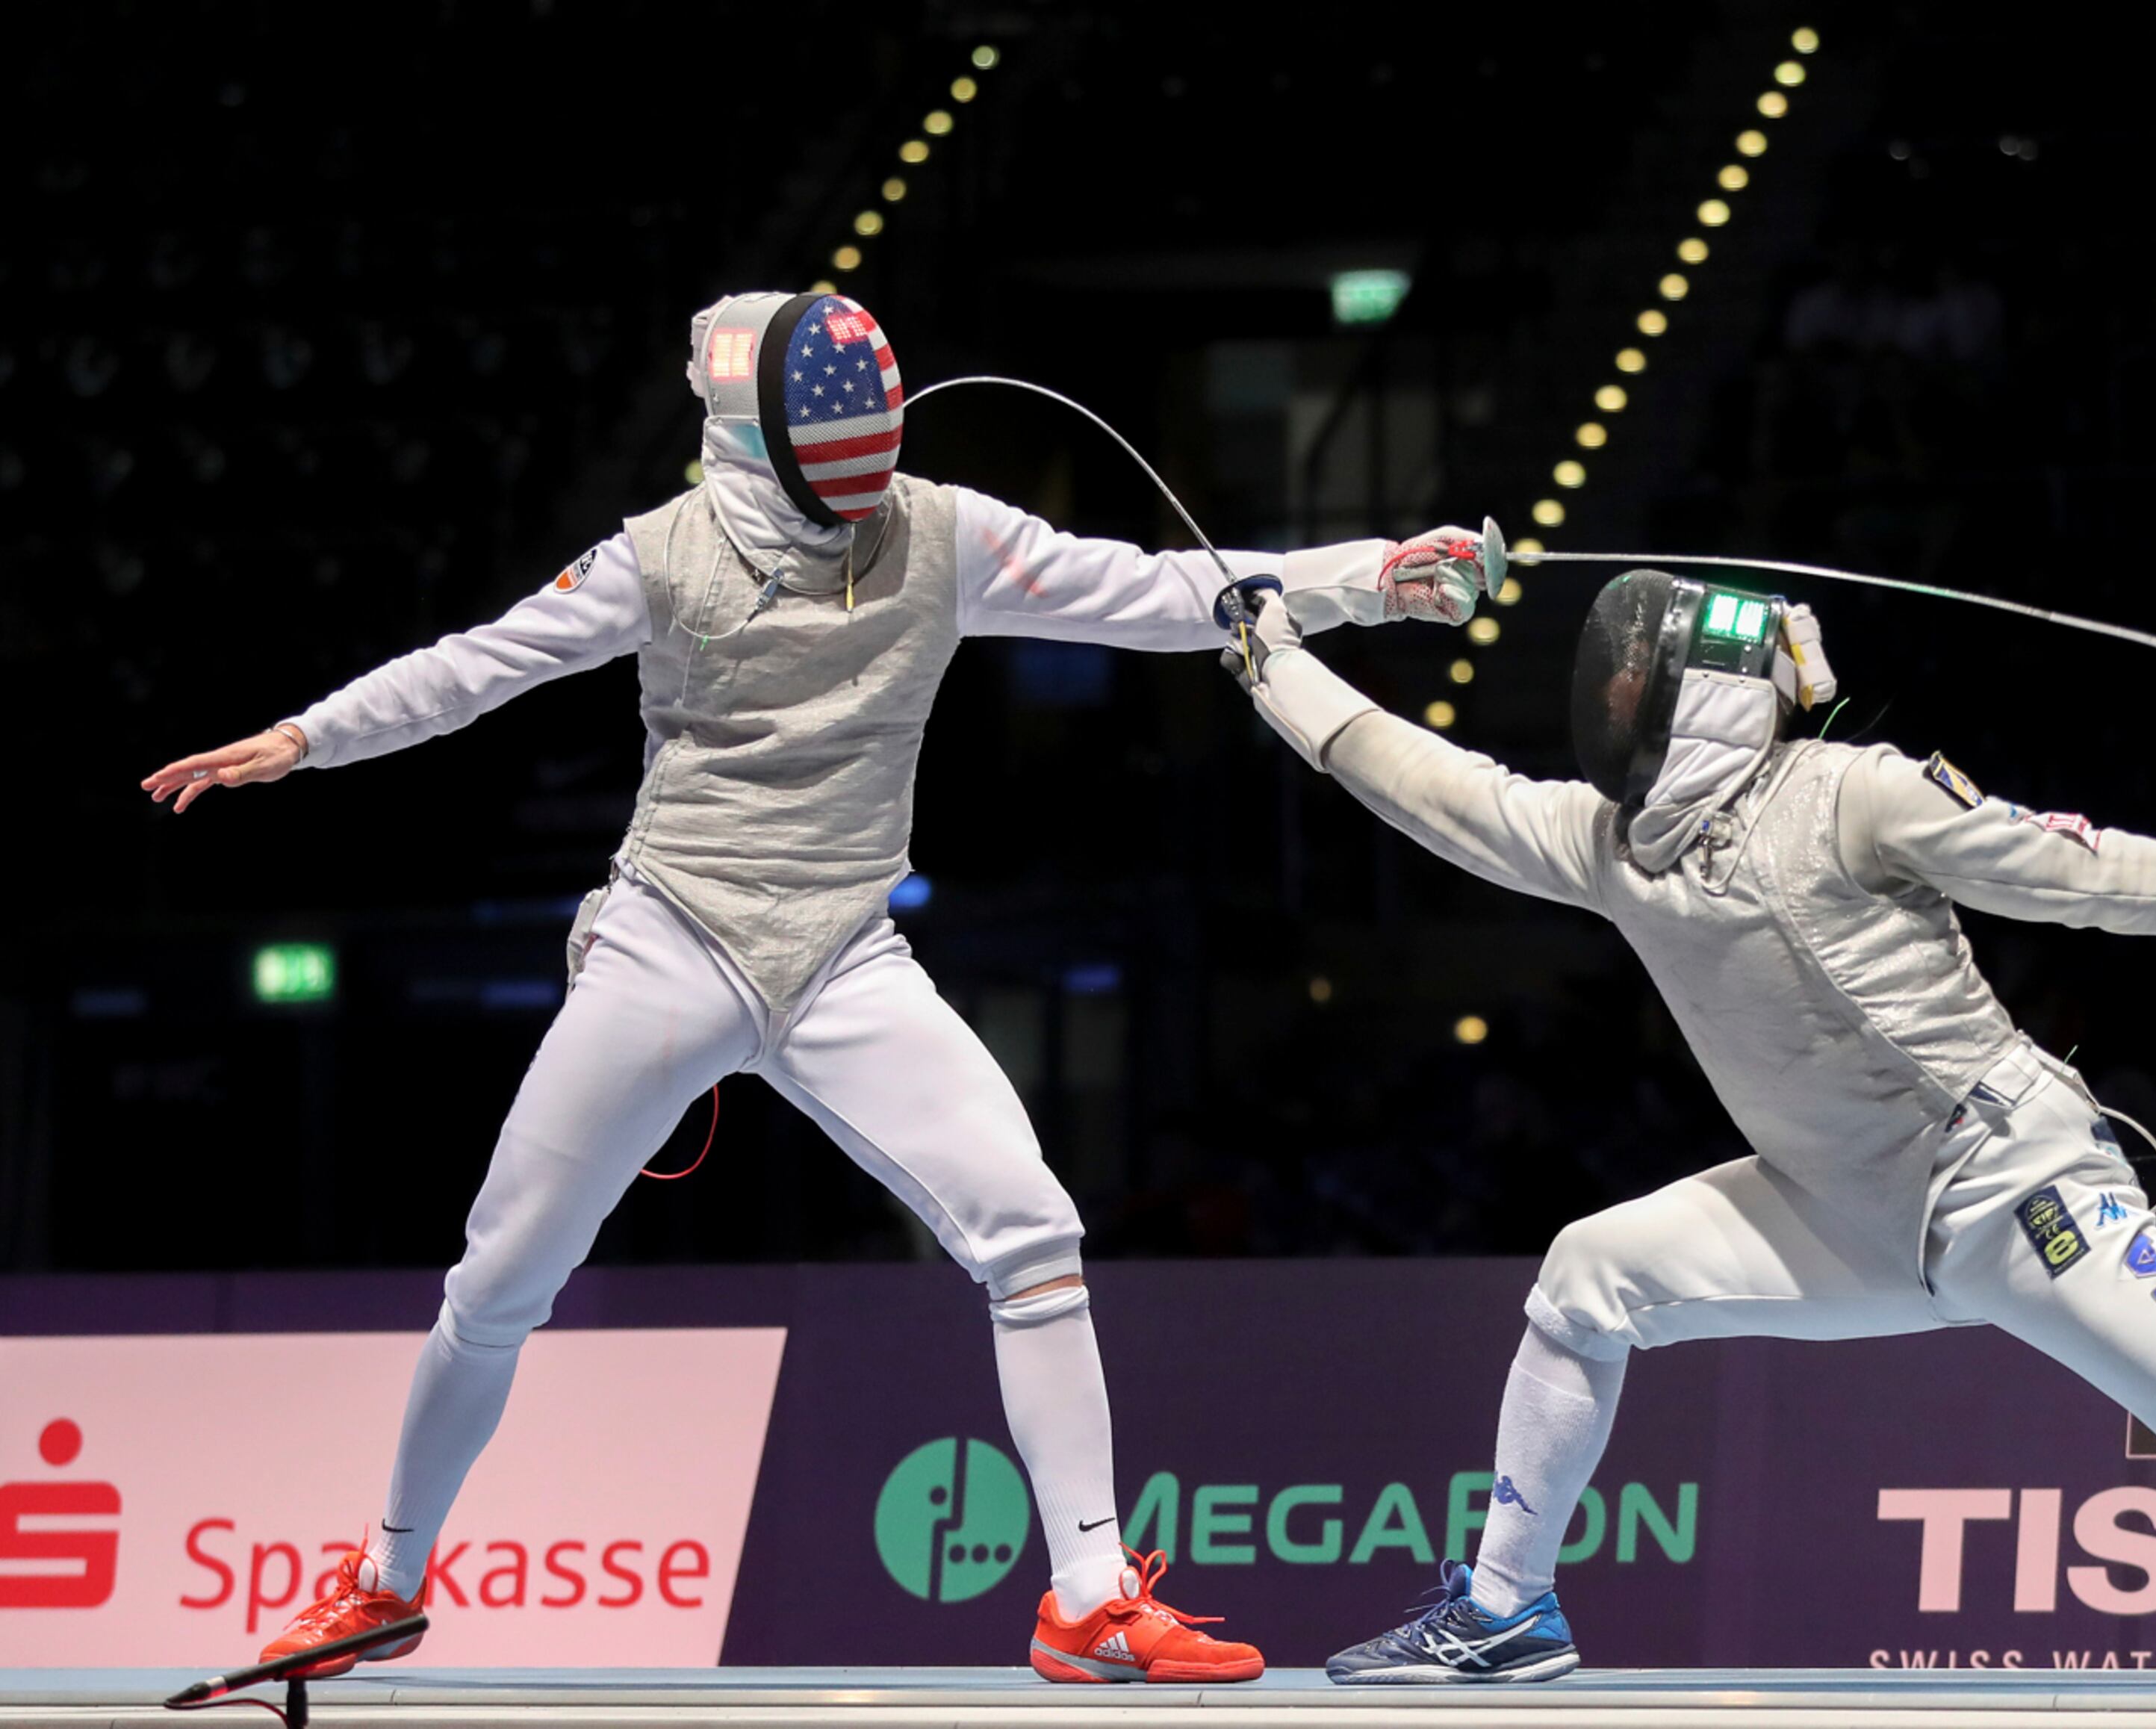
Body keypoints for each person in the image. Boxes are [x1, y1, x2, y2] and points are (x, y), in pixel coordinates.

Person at [140, 290, 1494, 1685]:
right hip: (671, 942)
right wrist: (309, 737)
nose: (867, 484)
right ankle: (384, 1580)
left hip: (848, 953)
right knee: (497, 1286)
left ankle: (1087, 1596)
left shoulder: (944, 533)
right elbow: (479, 667)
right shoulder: (659, 558)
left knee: (1030, 1232)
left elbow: (1157, 587)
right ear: (756, 437)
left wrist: (1373, 575)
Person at [1220, 568, 2156, 1680]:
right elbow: (1419, 781)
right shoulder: (1609, 844)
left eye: (1638, 687)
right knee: (1586, 1277)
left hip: (2020, 1192)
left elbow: (2081, 877)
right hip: (1840, 1215)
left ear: (1706, 696)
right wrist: (1270, 657)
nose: (1614, 707)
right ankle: (1507, 1609)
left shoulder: (1857, 793)